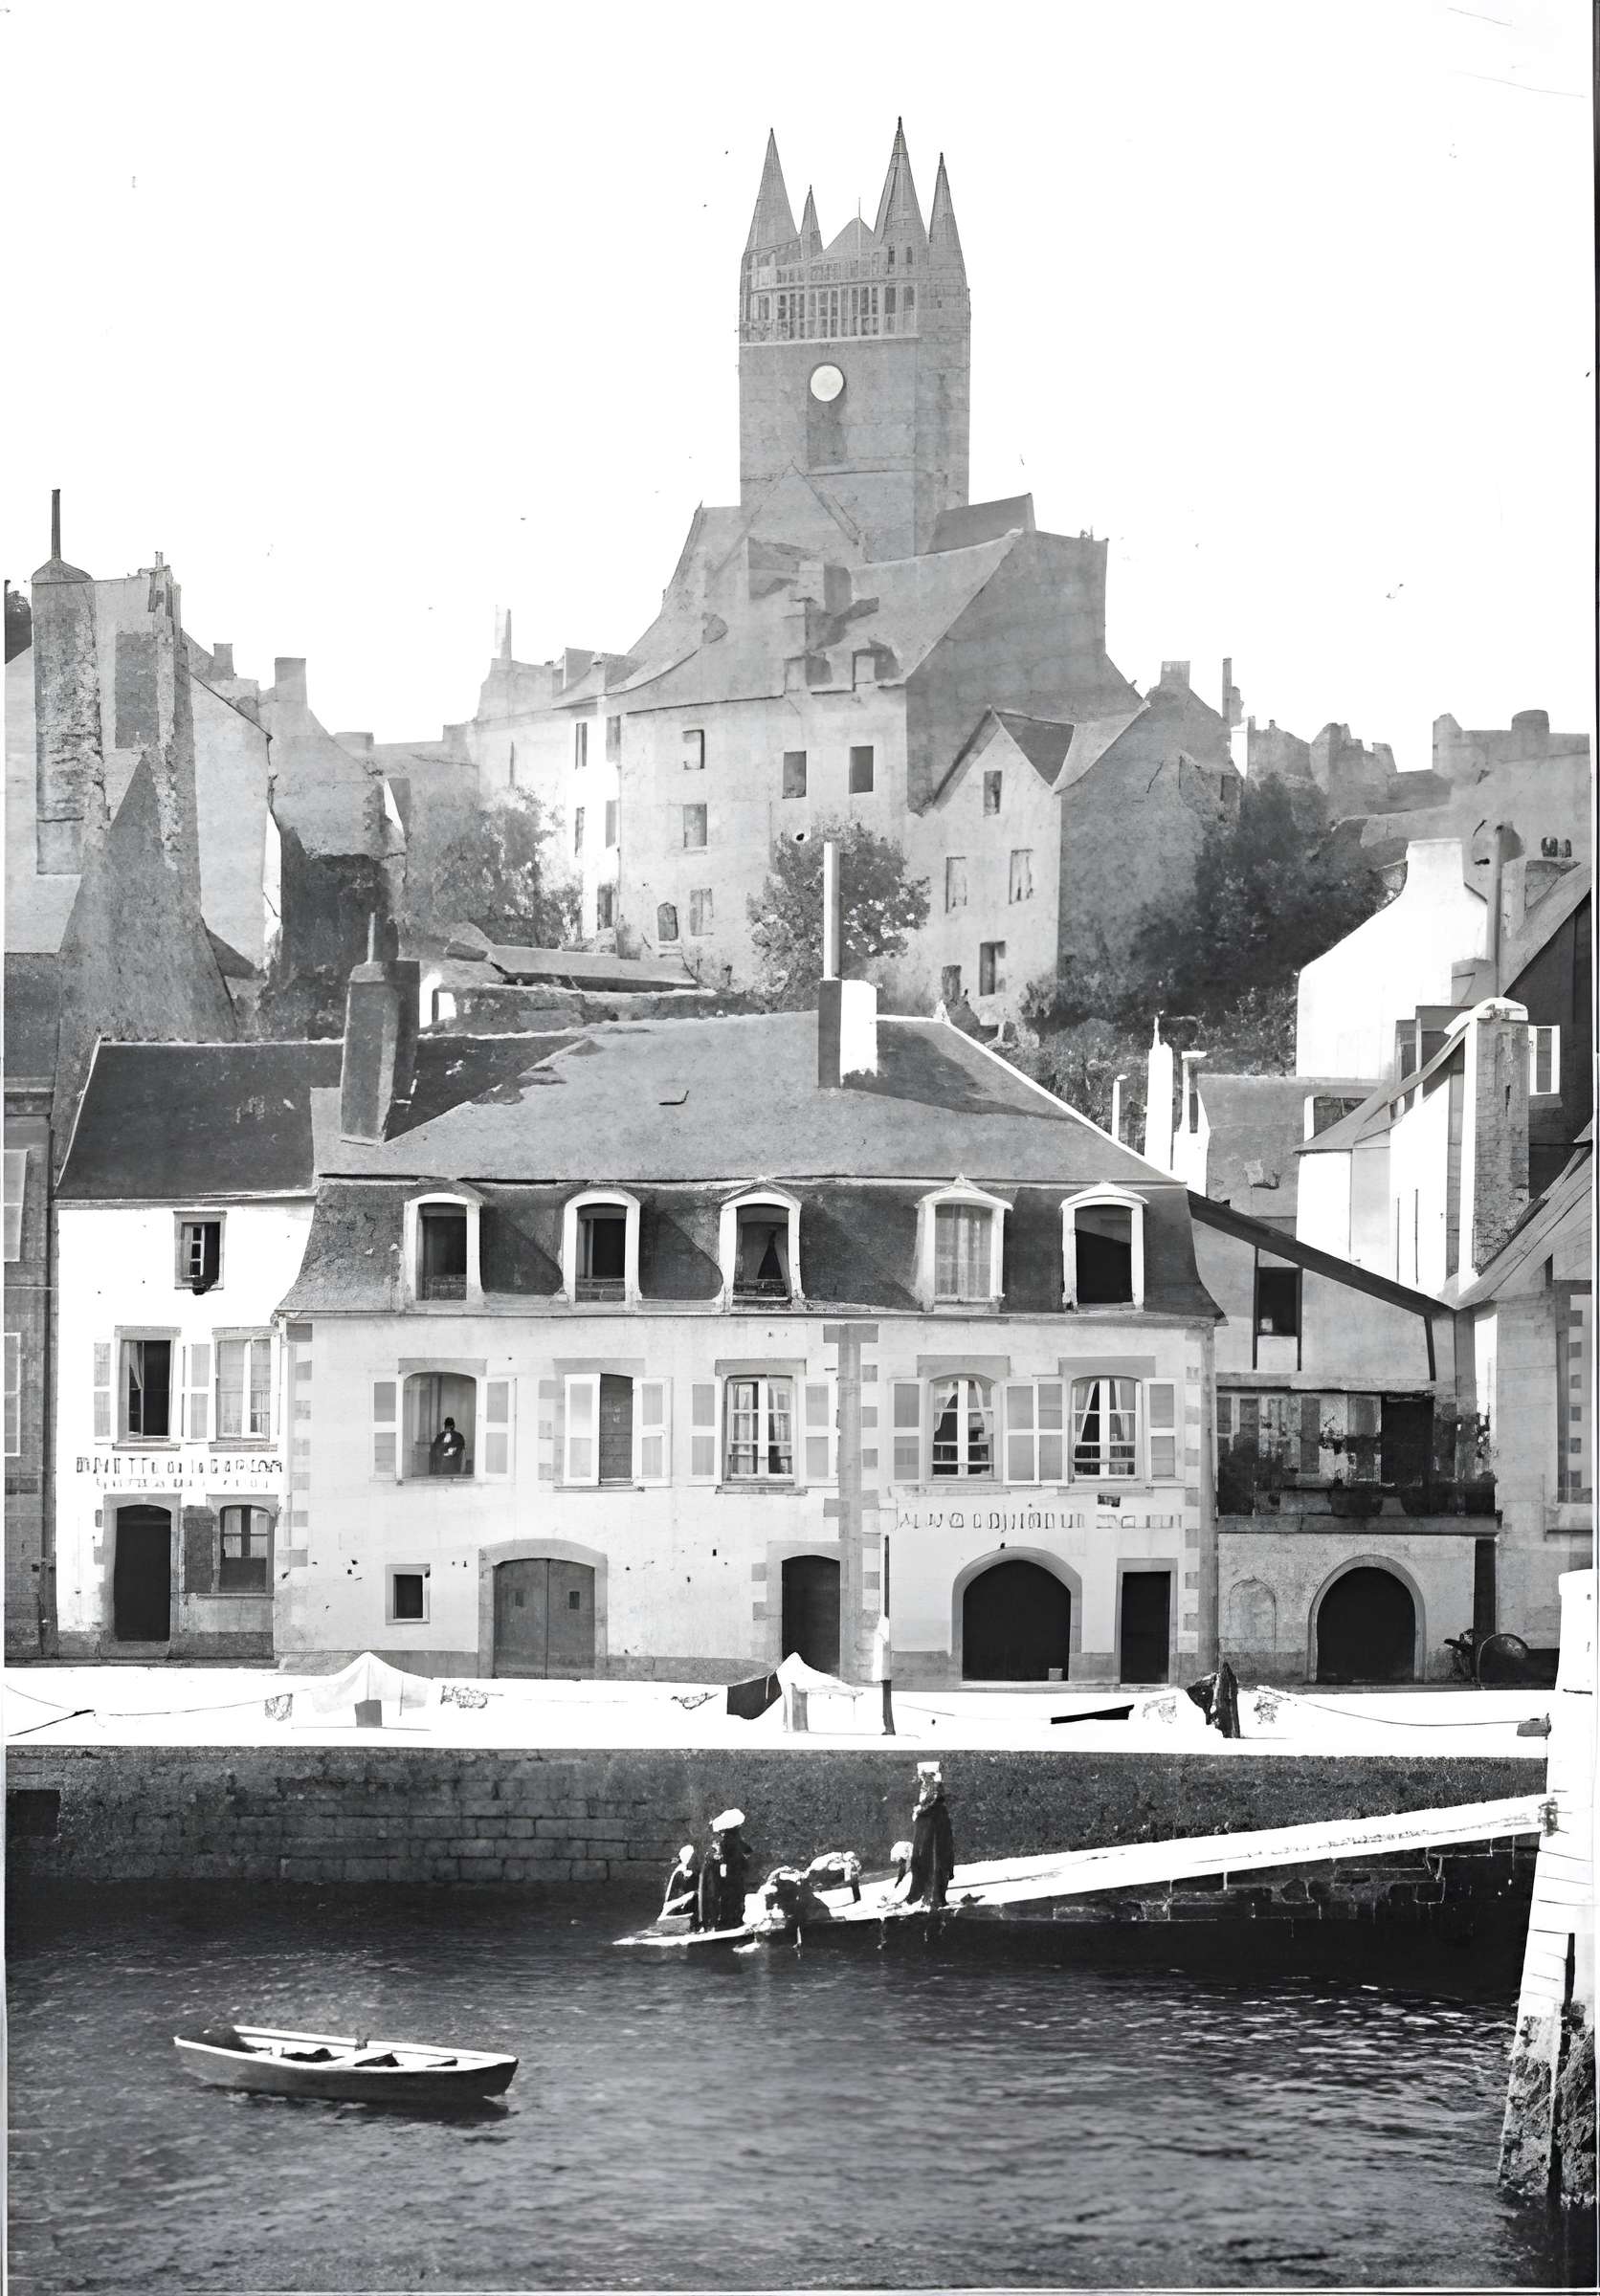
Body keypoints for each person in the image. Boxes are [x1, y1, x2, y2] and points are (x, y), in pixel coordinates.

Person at [906, 1762, 954, 1910]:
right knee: (921, 1859)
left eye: (924, 1775)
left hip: (934, 1829)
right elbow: (921, 1803)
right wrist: (917, 1809)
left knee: (934, 1860)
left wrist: (919, 1810)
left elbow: (932, 1803)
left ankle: (933, 1897)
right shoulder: (924, 1788)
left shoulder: (936, 1788)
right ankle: (920, 1893)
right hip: (924, 1828)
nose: (921, 1778)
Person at [698, 1808, 752, 1932]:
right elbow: (747, 1852)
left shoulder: (725, 1843)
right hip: (736, 1874)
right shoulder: (737, 1842)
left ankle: (727, 1922)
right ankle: (735, 1921)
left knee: (728, 1898)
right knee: (736, 1897)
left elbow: (724, 1861)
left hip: (729, 1875)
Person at [661, 1843, 700, 1925]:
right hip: (673, 1905)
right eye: (693, 1857)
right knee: (693, 1894)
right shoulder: (682, 1871)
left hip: (676, 1904)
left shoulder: (684, 1869)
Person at [870, 1611, 896, 1736]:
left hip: (887, 1670)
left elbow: (886, 1643)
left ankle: (890, 1728)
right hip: (884, 1670)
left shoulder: (884, 1622)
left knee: (888, 1700)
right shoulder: (882, 1623)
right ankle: (888, 1727)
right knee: (886, 1700)